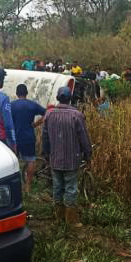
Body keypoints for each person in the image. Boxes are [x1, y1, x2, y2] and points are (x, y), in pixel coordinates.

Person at [42, 87, 92, 228]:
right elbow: (83, 137)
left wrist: (46, 154)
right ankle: (71, 220)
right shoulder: (76, 115)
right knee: (70, 187)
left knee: (57, 186)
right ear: (70, 98)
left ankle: (59, 217)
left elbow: (45, 137)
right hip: (72, 159)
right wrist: (88, 154)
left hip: (55, 158)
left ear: (58, 98)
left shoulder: (49, 115)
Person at [11, 84, 47, 193]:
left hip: (15, 138)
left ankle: (14, 186)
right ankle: (28, 186)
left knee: (13, 161)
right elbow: (47, 113)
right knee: (31, 161)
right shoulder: (32, 105)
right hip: (29, 137)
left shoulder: (11, 105)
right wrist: (36, 124)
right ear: (26, 93)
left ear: (17, 93)